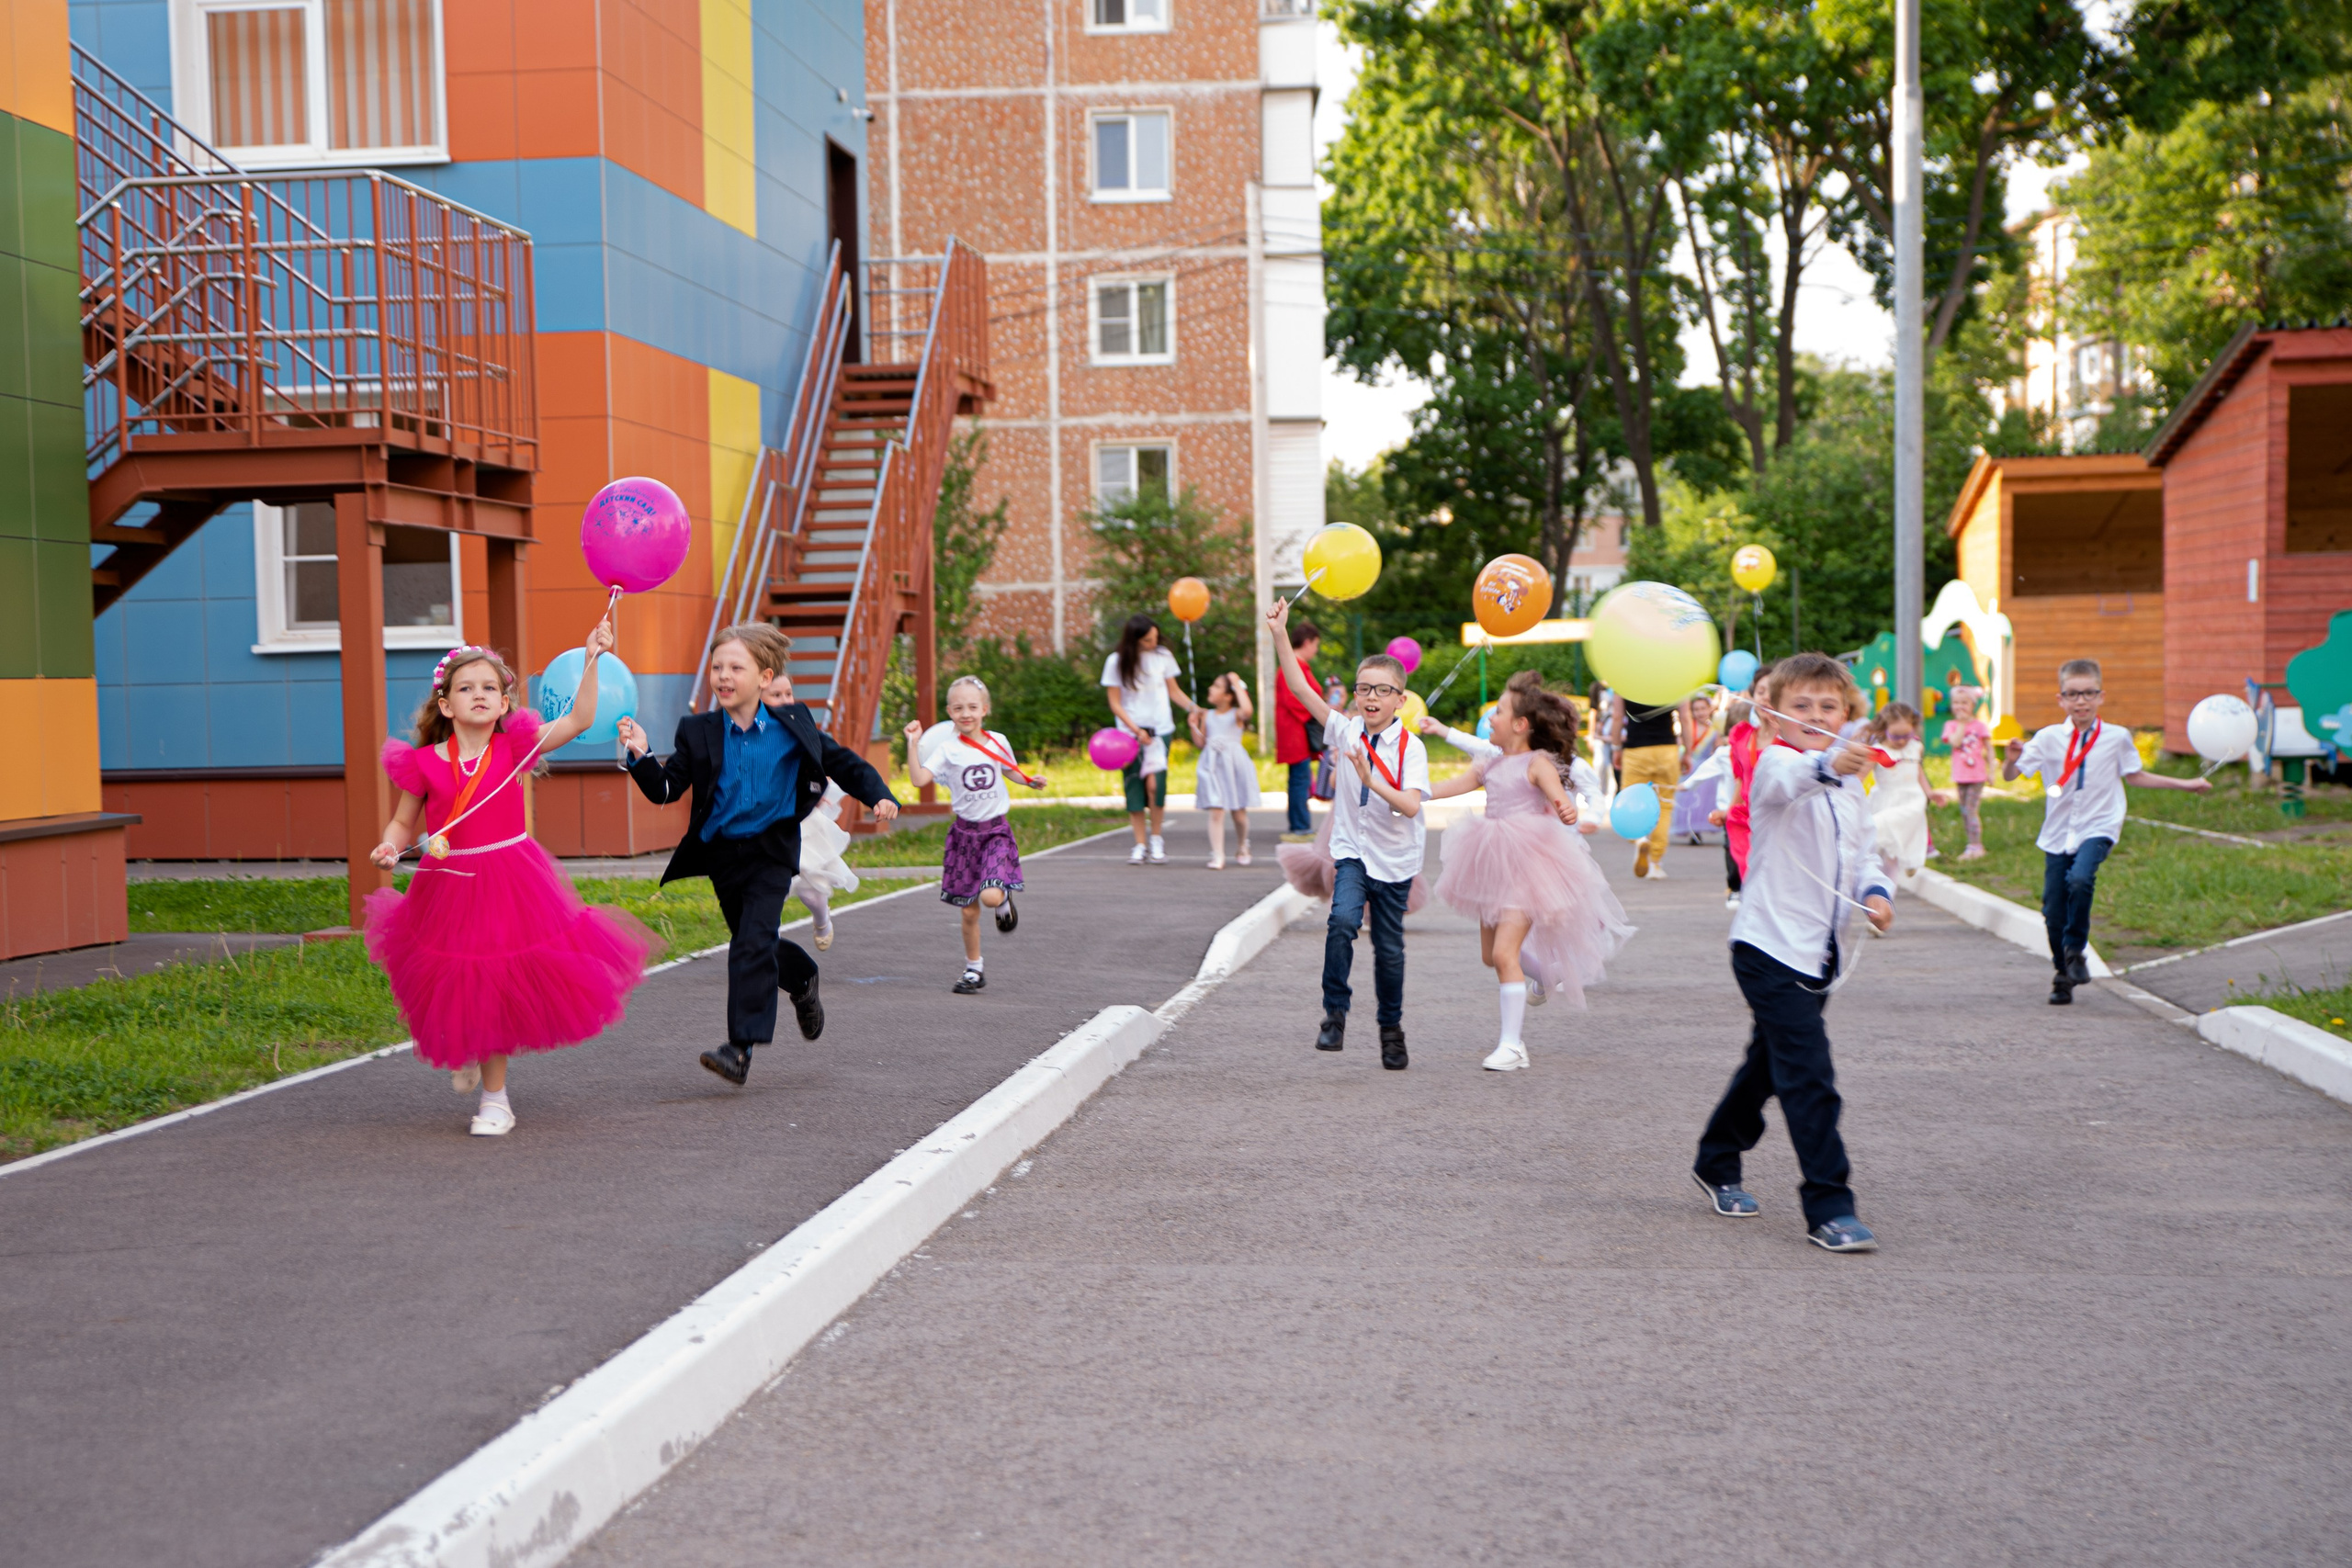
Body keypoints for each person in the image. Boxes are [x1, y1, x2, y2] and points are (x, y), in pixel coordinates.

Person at [365, 617, 659, 1137]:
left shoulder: (514, 747)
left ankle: (496, 1100)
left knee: (495, 981)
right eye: (465, 688)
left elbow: (578, 718)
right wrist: (390, 844)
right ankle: (468, 1049)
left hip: (510, 878)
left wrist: (592, 658)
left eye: (490, 688)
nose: (479, 695)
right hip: (446, 882)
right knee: (455, 978)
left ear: (504, 704)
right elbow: (403, 820)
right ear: (446, 705)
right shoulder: (424, 763)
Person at [617, 624, 899, 1086]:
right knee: (755, 942)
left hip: (772, 852)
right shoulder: (698, 730)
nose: (723, 676)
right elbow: (666, 789)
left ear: (764, 677)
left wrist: (879, 794)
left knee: (750, 944)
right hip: (724, 856)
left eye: (735, 667)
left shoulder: (793, 724)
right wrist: (642, 755)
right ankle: (804, 978)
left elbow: (843, 762)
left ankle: (739, 1048)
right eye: (717, 667)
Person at [1691, 652, 1894, 1254]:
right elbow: (1795, 779)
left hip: (1821, 954)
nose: (1815, 714)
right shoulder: (1776, 762)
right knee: (1810, 1076)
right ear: (1771, 714)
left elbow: (1863, 854)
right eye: (1800, 705)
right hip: (1767, 947)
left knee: (1769, 1065)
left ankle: (1715, 1157)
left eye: (1828, 706)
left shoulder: (1854, 783)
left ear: (1848, 712)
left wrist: (1875, 893)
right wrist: (1833, 759)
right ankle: (1830, 1205)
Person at [1426, 671, 1634, 1070]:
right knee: (1492, 956)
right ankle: (1549, 973)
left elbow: (1557, 794)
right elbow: (1446, 786)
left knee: (1505, 953)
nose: (1490, 719)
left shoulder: (1537, 763)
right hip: (1490, 861)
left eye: (1497, 712)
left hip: (1528, 862)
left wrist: (1566, 807)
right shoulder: (1488, 765)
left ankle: (1512, 1045)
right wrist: (1405, 785)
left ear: (1520, 726)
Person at [1269, 594, 1427, 1070]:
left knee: (1390, 951)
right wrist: (1280, 633)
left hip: (1396, 860)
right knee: (1340, 923)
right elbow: (1301, 689)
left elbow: (1412, 804)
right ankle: (1334, 1014)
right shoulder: (1344, 730)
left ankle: (1391, 1028)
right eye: (1364, 690)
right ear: (1355, 696)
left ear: (1401, 699)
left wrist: (1371, 777)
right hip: (1353, 852)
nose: (1371, 698)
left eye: (1382, 691)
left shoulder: (1411, 748)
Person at [2002, 658, 2211, 1005]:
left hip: (2099, 826)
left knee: (2081, 879)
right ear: (2061, 699)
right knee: (2053, 911)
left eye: (2088, 693)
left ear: (2101, 696)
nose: (2080, 701)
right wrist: (2010, 759)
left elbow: (2135, 775)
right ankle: (2062, 972)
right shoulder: (2048, 738)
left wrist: (2185, 784)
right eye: (2072, 694)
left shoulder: (2116, 737)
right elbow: (2012, 775)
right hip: (2057, 833)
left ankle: (2075, 949)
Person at [905, 675, 1045, 994]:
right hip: (964, 837)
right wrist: (912, 743)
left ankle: (1003, 898)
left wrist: (1028, 780)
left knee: (990, 895)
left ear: (985, 709)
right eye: (958, 708)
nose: (965, 713)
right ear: (949, 711)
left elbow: (1007, 768)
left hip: (995, 831)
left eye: (972, 707)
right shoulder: (946, 750)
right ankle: (973, 968)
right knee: (969, 911)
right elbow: (918, 779)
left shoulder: (998, 740)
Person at [759, 671, 858, 953]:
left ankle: (822, 918)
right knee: (769, 892)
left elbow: (818, 759)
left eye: (788, 694)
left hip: (802, 823)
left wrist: (821, 788)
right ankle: (764, 944)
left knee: (812, 892)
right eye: (776, 695)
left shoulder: (798, 727)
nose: (785, 700)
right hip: (767, 826)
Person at [1102, 614, 1201, 865]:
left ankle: (1157, 839)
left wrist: (1195, 709)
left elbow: (1174, 691)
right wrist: (1135, 730)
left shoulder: (1163, 657)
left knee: (1156, 786)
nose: (1152, 643)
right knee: (1134, 787)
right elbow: (1115, 703)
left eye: (1155, 638)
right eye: (1147, 640)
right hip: (1129, 735)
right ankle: (1139, 844)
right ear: (1134, 640)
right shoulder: (1116, 662)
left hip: (1160, 731)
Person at [1862, 702, 1951, 889]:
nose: (1902, 741)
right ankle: (1886, 892)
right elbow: (1860, 777)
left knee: (1884, 825)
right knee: (1887, 852)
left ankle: (1910, 859)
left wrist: (1929, 792)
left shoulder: (1915, 747)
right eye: (1896, 736)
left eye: (1906, 735)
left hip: (1912, 799)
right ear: (1884, 729)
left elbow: (1917, 770)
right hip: (1885, 799)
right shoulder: (1878, 752)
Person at [1706, 668, 1774, 911]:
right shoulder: (1742, 736)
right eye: (1761, 691)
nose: (1766, 697)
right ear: (1752, 695)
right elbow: (1741, 779)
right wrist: (1729, 811)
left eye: (1773, 692)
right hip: (1746, 822)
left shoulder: (1793, 739)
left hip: (1778, 824)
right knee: (1752, 883)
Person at [1611, 689, 1693, 878]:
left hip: (1635, 750)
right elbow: (1685, 717)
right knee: (1664, 804)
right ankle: (1656, 863)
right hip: (1667, 749)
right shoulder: (1676, 678)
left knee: (1630, 800)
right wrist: (1688, 752)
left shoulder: (1623, 679)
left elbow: (1617, 717)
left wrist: (1616, 748)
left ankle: (1639, 839)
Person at [1190, 671, 1261, 868]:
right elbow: (1200, 743)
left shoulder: (1236, 714)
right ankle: (1218, 854)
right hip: (1213, 765)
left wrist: (1236, 683)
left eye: (1216, 686)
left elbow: (1248, 710)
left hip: (1234, 764)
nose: (1210, 689)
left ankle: (1242, 844)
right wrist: (1193, 727)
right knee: (1216, 810)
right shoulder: (1208, 715)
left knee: (1238, 814)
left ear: (1228, 696)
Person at [1274, 618, 1323, 840]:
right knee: (1299, 780)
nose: (1316, 650)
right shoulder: (1292, 666)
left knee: (1299, 779)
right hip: (1296, 731)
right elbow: (1294, 699)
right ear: (1307, 642)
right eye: (1316, 644)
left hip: (1297, 729)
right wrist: (1317, 712)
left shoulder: (1295, 665)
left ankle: (1299, 823)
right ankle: (1300, 825)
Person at [1942, 684, 1993, 860]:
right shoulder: (1951, 725)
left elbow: (1989, 749)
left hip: (1977, 775)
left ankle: (1976, 846)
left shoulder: (1980, 726)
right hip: (1960, 775)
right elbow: (1955, 742)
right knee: (1964, 810)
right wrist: (1962, 725)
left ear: (1973, 705)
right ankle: (1971, 843)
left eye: (1964, 702)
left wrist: (1992, 771)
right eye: (1956, 703)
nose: (1959, 706)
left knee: (1971, 809)